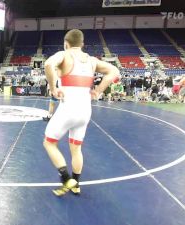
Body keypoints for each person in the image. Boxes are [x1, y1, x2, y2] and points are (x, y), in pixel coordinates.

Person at [43, 29, 120, 197]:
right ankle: (76, 184)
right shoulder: (92, 60)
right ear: (82, 44)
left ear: (66, 43)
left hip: (68, 109)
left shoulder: (64, 55)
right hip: (85, 112)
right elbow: (114, 72)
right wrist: (98, 90)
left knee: (49, 143)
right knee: (76, 149)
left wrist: (54, 88)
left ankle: (66, 178)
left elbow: (48, 64)